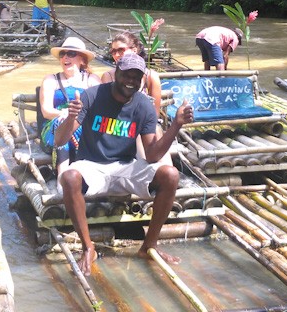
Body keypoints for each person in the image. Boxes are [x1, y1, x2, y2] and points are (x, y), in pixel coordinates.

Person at [54, 52, 194, 276]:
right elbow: (59, 141)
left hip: (126, 166)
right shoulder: (92, 96)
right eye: (126, 75)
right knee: (69, 177)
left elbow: (151, 155)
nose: (130, 81)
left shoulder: (144, 106)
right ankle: (88, 247)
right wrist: (71, 118)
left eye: (135, 77)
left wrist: (176, 125)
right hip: (92, 165)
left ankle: (149, 245)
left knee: (171, 174)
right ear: (116, 72)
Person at [39, 37, 101, 169]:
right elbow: (46, 111)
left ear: (82, 59)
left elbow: (98, 110)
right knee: (63, 123)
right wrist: (66, 114)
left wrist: (76, 117)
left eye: (71, 54)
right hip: (54, 128)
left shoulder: (92, 80)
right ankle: (62, 175)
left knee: (78, 126)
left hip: (83, 125)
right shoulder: (51, 79)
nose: (65, 57)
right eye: (63, 54)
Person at [101, 31, 163, 112]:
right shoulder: (108, 76)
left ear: (134, 50)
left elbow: (155, 112)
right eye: (113, 51)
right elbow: (105, 108)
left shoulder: (150, 76)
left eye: (121, 50)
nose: (116, 55)